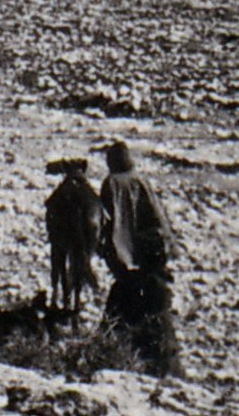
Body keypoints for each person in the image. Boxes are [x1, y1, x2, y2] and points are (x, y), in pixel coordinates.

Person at [97, 138, 181, 375]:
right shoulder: (141, 181)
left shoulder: (111, 184)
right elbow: (158, 216)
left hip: (127, 264)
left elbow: (109, 225)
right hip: (151, 263)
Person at [44, 153, 103, 316]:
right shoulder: (90, 194)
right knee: (81, 257)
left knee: (58, 253)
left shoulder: (60, 193)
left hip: (60, 228)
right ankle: (76, 303)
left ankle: (57, 298)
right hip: (92, 224)